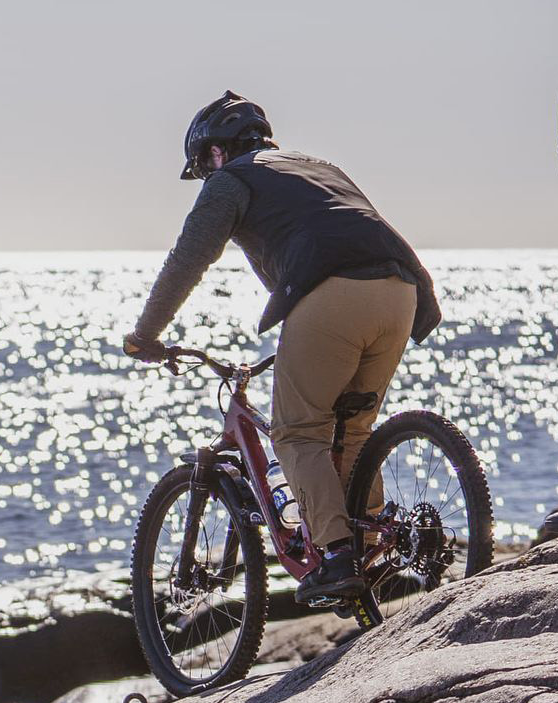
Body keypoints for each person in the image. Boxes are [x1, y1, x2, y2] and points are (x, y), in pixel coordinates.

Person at [123, 91, 441, 605]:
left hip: (334, 294)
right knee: (352, 428)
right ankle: (374, 539)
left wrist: (146, 334)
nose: (205, 175)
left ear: (217, 152)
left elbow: (188, 259)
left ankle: (336, 556)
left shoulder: (231, 181)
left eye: (203, 164)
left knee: (297, 432)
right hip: (402, 291)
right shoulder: (319, 167)